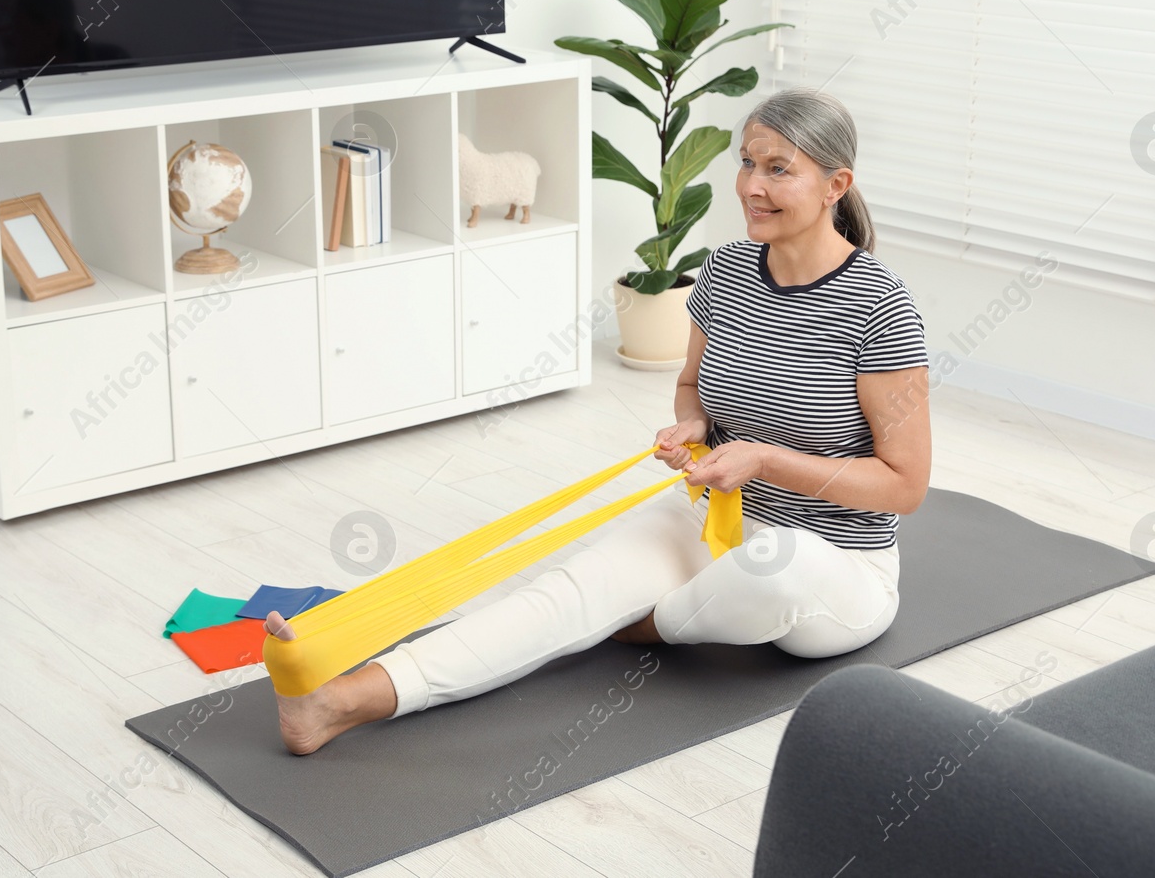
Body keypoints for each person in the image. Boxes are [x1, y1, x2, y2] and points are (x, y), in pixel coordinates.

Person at [262, 86, 932, 755]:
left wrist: (765, 459)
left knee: (773, 565)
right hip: (710, 515)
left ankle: (644, 623)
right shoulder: (727, 271)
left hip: (834, 563)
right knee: (563, 592)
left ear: (835, 184)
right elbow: (692, 386)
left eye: (778, 169)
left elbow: (904, 484)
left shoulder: (879, 306)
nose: (752, 185)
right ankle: (339, 702)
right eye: (747, 162)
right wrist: (692, 425)